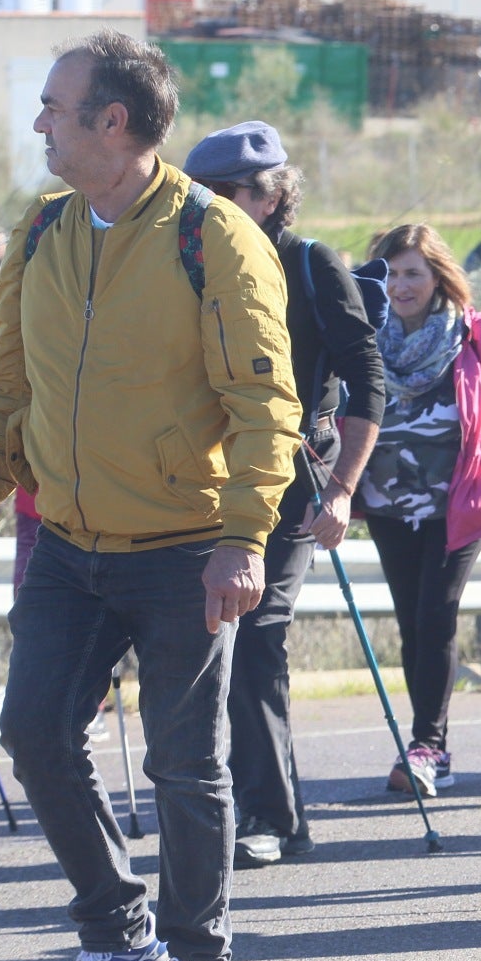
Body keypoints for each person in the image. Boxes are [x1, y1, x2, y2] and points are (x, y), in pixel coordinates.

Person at [0, 31, 300, 961]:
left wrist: (244, 537)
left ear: (114, 122)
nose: (39, 123)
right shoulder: (48, 229)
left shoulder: (214, 236)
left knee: (185, 762)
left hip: (187, 544)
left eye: (55, 107)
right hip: (65, 539)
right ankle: (117, 933)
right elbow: (8, 384)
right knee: (33, 733)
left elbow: (264, 401)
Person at [184, 120, 385, 868]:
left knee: (257, 638)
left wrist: (341, 491)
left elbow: (369, 381)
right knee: (208, 640)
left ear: (267, 198)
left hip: (298, 478)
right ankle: (252, 809)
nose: (200, 207)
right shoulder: (188, 264)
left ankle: (268, 817)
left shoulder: (310, 265)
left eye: (219, 195)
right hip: (206, 479)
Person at [357, 224, 481, 795]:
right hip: (387, 505)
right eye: (391, 273)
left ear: (438, 276)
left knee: (436, 614)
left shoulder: (475, 335)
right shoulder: (361, 337)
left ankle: (428, 747)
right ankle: (430, 743)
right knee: (412, 622)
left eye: (413, 272)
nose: (401, 285)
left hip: (457, 506)